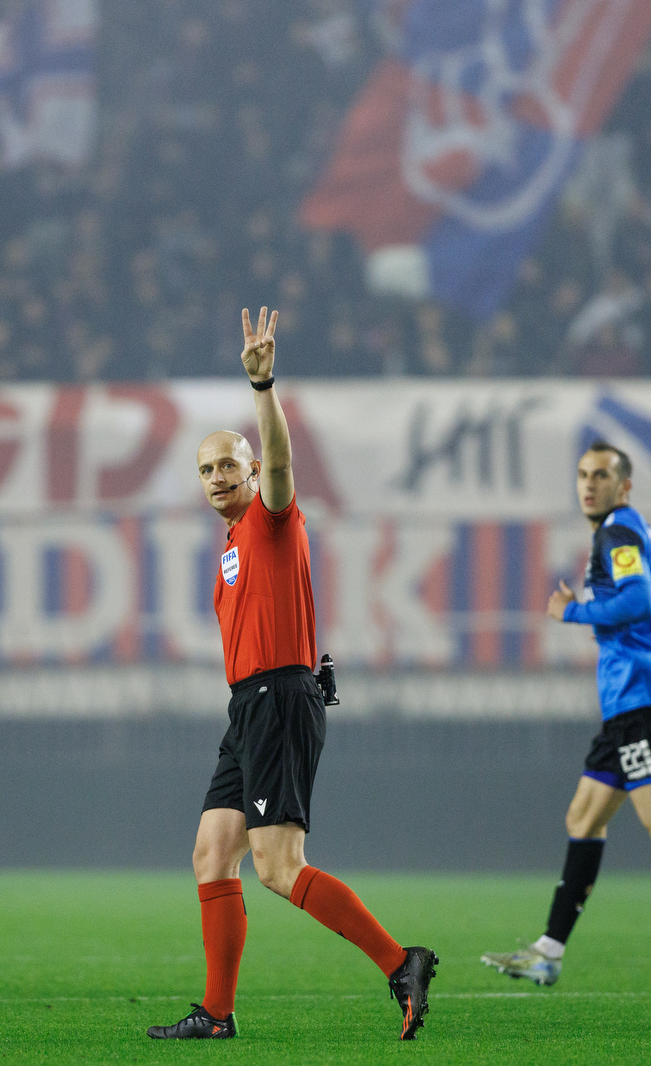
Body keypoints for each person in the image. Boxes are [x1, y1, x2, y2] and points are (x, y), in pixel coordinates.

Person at [148, 308, 438, 1042]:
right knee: (213, 852)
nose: (218, 477)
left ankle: (399, 962)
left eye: (228, 465)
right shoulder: (230, 548)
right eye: (207, 468)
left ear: (252, 472)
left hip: (276, 700)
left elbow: (280, 462)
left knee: (278, 866)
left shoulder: (272, 517)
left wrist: (263, 386)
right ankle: (216, 1015)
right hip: (252, 706)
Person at [480, 441, 651, 987]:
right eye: (583, 474)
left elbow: (635, 601)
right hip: (629, 700)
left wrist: (573, 611)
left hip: (636, 697)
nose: (588, 484)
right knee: (583, 819)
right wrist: (649, 634)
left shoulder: (616, 533)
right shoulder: (645, 535)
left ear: (624, 485)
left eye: (602, 475)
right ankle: (548, 951)